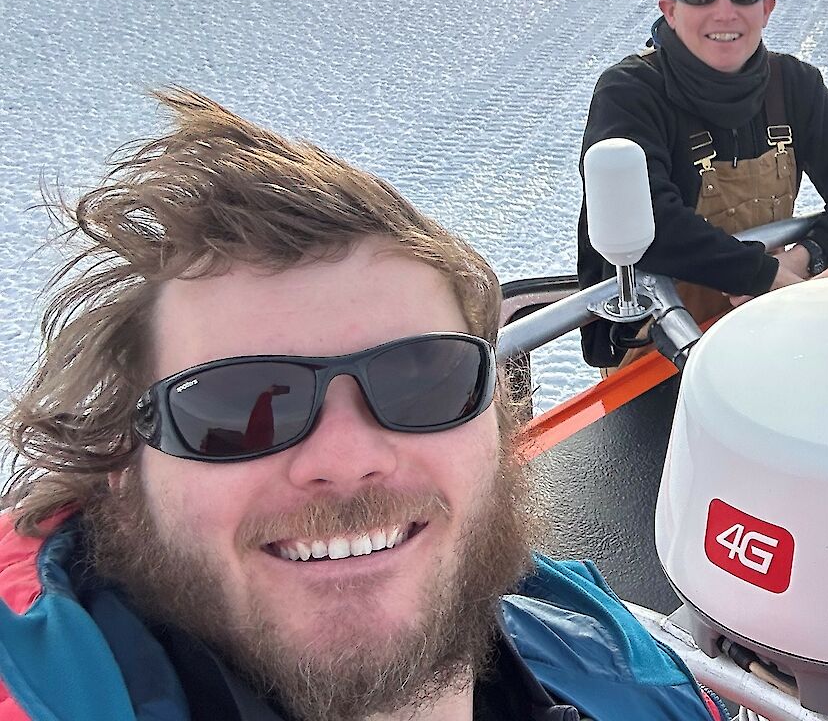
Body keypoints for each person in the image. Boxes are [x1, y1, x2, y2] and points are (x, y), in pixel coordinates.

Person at [0, 89, 723, 720]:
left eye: (424, 379)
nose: (349, 458)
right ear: (122, 471)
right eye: (239, 405)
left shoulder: (612, 655)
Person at [575, 0, 828, 368]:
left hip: (763, 324)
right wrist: (758, 274)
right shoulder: (629, 93)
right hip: (657, 344)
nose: (723, 12)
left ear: (766, 9)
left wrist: (803, 257)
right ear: (670, 11)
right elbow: (647, 222)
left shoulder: (795, 86)